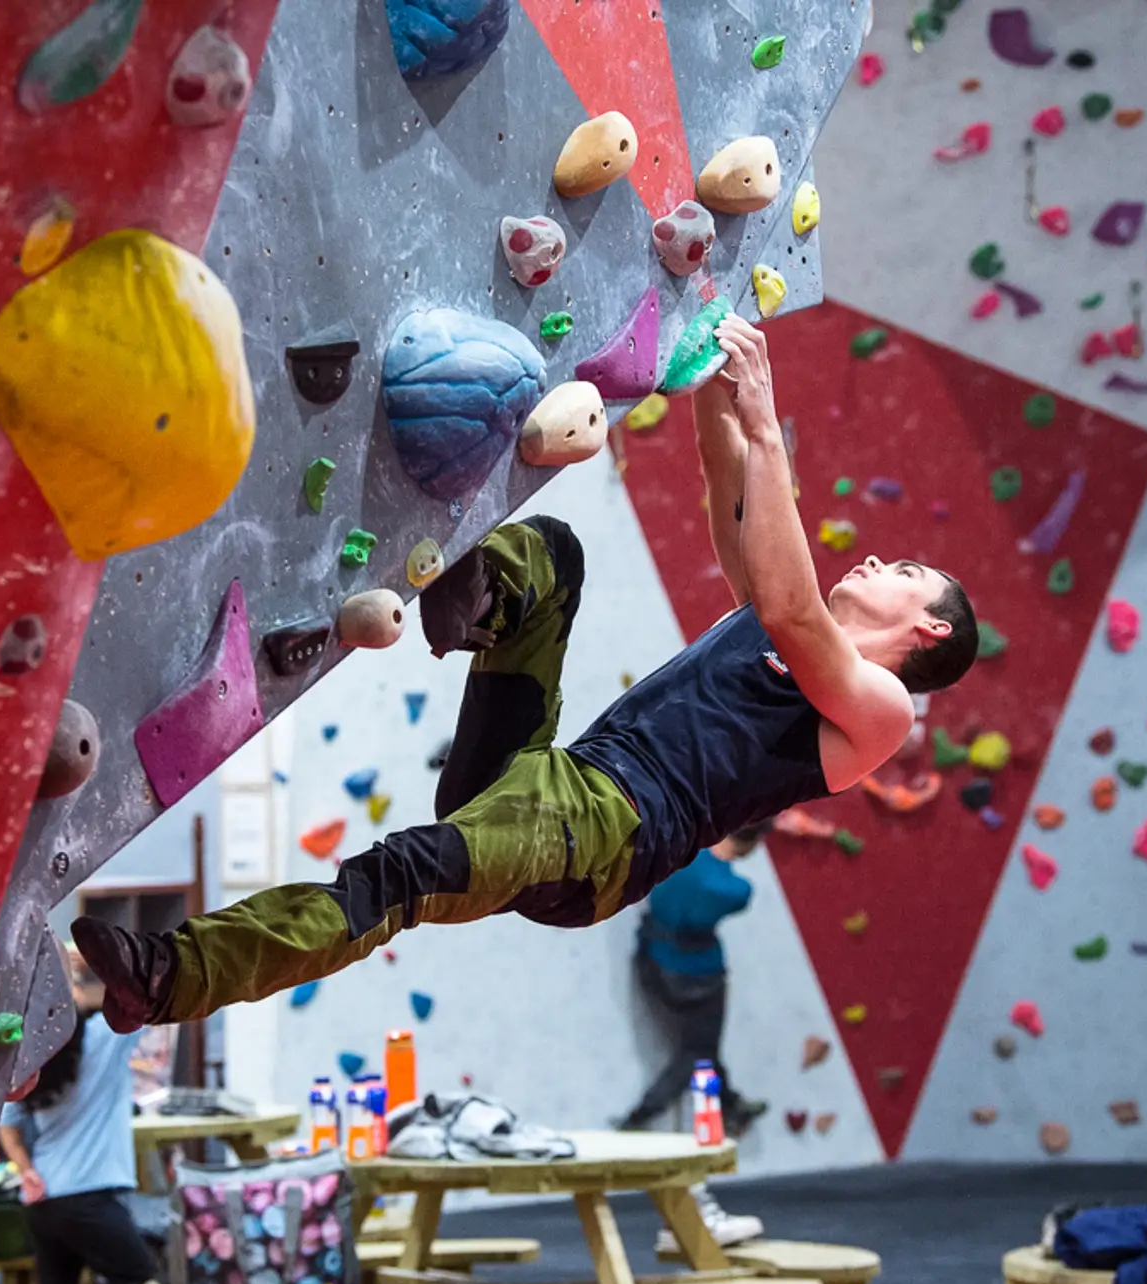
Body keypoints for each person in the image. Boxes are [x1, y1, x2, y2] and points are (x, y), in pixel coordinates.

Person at [75, 315, 979, 1028]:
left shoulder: (879, 711)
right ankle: (470, 596)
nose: (875, 561)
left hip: (605, 835)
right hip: (548, 781)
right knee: (556, 558)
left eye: (903, 571)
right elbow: (726, 475)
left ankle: (169, 976)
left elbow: (792, 605)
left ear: (928, 627)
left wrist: (768, 422)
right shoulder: (774, 615)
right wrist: (716, 349)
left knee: (397, 876)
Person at [0, 943, 165, 1284]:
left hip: (45, 1200)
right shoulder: (105, 1039)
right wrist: (92, 956)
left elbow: (8, 1123)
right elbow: (140, 989)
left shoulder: (32, 1063)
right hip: (91, 1199)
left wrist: (26, 1169)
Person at [618, 822, 775, 1137]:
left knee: (704, 1046)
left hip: (651, 957)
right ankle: (643, 1114)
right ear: (753, 840)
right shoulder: (735, 890)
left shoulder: (679, 849)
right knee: (698, 1053)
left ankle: (730, 1105)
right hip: (698, 978)